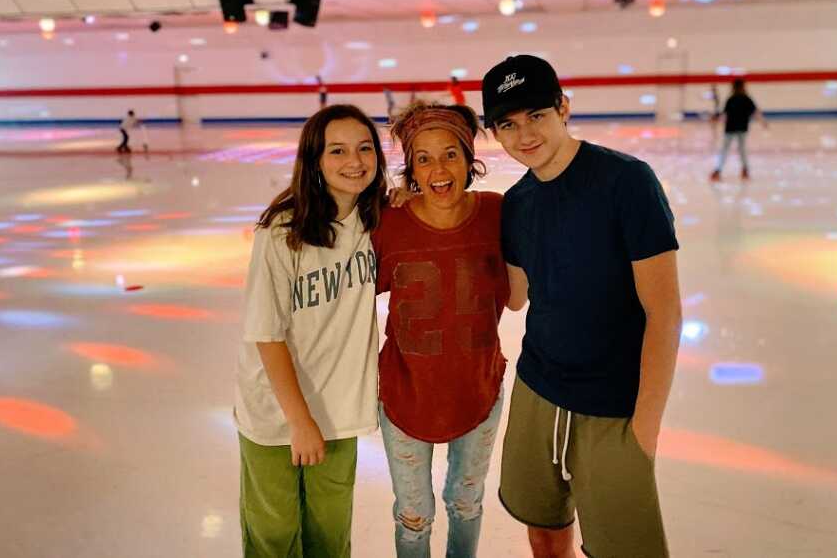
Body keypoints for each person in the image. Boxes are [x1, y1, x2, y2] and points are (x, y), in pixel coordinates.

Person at [481, 55, 682, 558]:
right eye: (508, 124)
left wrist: (646, 428)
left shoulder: (626, 182)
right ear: (495, 133)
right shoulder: (517, 204)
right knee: (543, 528)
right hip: (538, 389)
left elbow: (664, 312)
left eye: (536, 116)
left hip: (615, 404)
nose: (524, 135)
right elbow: (516, 296)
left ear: (563, 108)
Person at [235, 104, 388, 558]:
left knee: (329, 535)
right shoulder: (282, 231)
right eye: (337, 150)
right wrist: (300, 422)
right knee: (274, 537)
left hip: (340, 410)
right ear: (315, 161)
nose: (354, 161)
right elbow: (267, 334)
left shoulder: (376, 218)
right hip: (277, 414)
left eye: (364, 148)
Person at [373, 101, 522, 558]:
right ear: (411, 170)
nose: (438, 168)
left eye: (450, 154)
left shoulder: (498, 214)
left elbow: (518, 297)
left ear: (468, 158)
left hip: (477, 391)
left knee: (465, 501)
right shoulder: (388, 223)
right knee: (413, 516)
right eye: (423, 158)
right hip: (405, 396)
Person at [709, 78, 767, 181]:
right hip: (740, 128)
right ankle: (743, 170)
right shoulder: (744, 99)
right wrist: (763, 122)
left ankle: (719, 170)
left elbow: (724, 114)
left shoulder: (732, 99)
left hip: (731, 128)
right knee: (741, 149)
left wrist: (716, 119)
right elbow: (756, 112)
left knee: (726, 150)